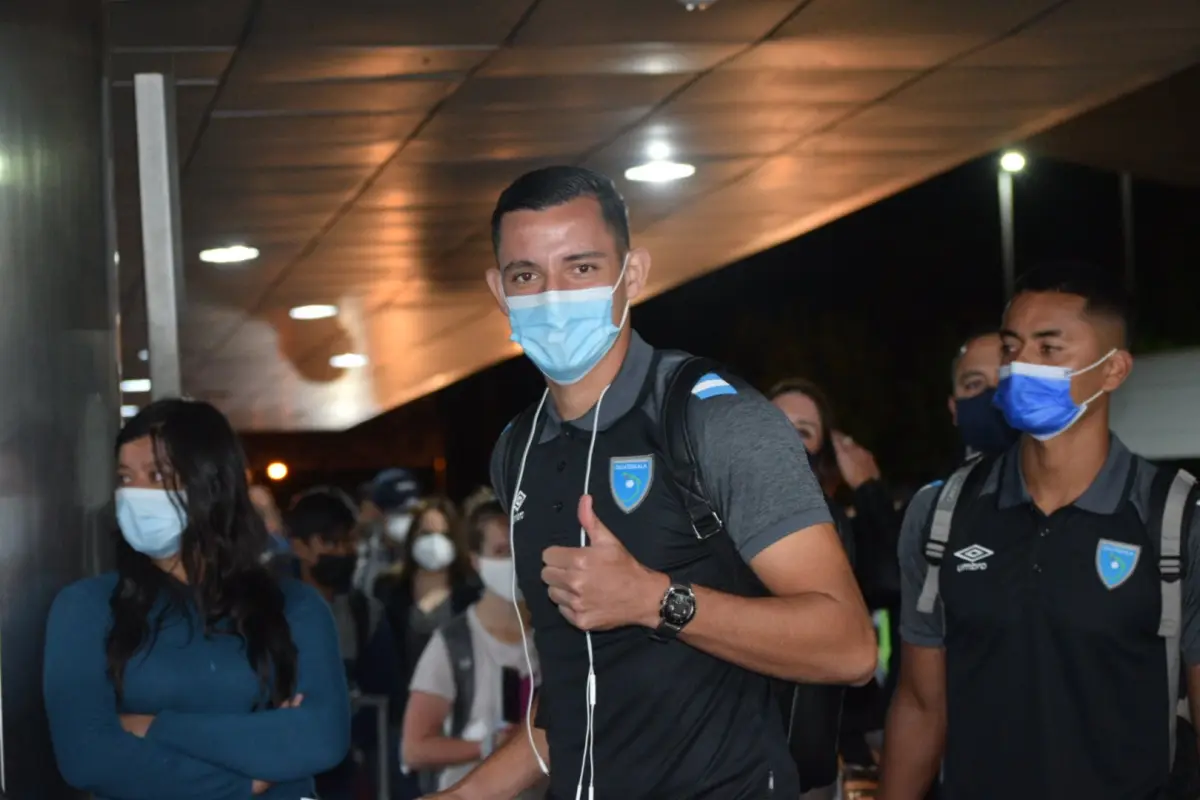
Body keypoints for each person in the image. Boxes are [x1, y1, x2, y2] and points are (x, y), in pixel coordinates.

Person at [426, 165, 875, 800]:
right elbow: (579, 699)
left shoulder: (714, 419)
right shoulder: (517, 450)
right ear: (500, 291)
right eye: (528, 276)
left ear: (632, 275)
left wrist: (653, 600)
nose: (553, 297)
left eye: (581, 268)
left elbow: (850, 646)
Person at [879, 263, 1200, 799]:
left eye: (1049, 350)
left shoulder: (1175, 517)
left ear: (1114, 370)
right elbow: (920, 704)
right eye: (1011, 347)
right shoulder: (943, 513)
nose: (1020, 365)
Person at [43, 398, 350, 800]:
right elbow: (88, 757)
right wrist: (244, 783)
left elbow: (321, 738)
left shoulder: (294, 607)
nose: (135, 494)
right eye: (125, 478)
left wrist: (153, 727)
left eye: (157, 475)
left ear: (211, 485)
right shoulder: (86, 608)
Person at [768, 378, 899, 796]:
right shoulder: (700, 521)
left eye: (804, 431)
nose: (785, 439)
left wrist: (868, 487)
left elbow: (898, 577)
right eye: (773, 422)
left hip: (804, 772)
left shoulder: (840, 532)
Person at [403, 501, 544, 799]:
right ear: (476, 560)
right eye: (501, 551)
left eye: (521, 549)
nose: (514, 562)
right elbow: (414, 749)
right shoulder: (453, 642)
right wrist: (486, 747)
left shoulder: (558, 638)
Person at [286, 487, 402, 800]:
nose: (344, 551)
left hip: (345, 771)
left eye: (349, 540)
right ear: (299, 546)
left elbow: (385, 703)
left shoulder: (365, 614)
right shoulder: (268, 611)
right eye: (330, 542)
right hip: (283, 768)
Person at [947, 331, 1018, 460]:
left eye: (1007, 378)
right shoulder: (956, 481)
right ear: (954, 409)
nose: (995, 393)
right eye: (974, 384)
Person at [355, 467, 423, 597]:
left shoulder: (428, 550)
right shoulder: (367, 551)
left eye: (411, 513)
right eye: (399, 513)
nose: (407, 521)